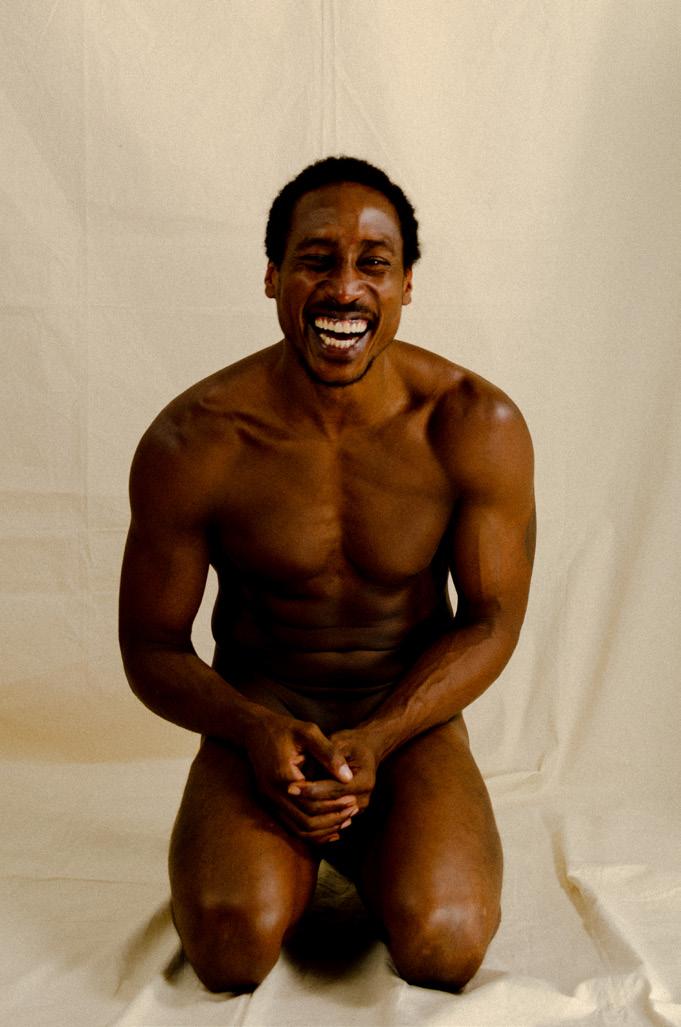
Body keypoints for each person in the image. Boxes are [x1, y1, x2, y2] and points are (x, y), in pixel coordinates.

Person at [118, 156, 535, 995]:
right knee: (228, 948)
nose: (344, 288)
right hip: (261, 716)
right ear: (272, 274)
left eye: (372, 263)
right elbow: (151, 645)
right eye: (315, 260)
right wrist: (249, 728)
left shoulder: (471, 423)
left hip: (407, 721)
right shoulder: (196, 439)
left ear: (406, 284)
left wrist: (380, 738)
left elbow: (489, 618)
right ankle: (303, 850)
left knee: (446, 943)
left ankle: (379, 842)